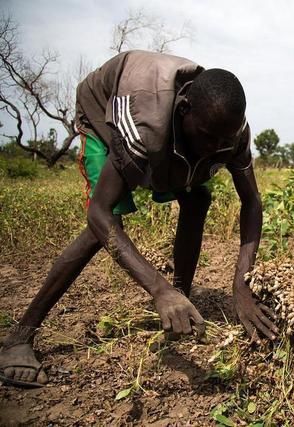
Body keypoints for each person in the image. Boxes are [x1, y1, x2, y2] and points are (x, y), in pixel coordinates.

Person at [0, 50, 277, 388]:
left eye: (224, 141)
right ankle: (20, 337)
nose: (214, 148)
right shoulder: (145, 117)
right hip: (102, 113)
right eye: (208, 136)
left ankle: (182, 297)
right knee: (104, 224)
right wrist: (158, 289)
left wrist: (241, 286)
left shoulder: (230, 133)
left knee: (198, 196)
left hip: (167, 133)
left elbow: (251, 200)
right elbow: (99, 214)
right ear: (184, 110)